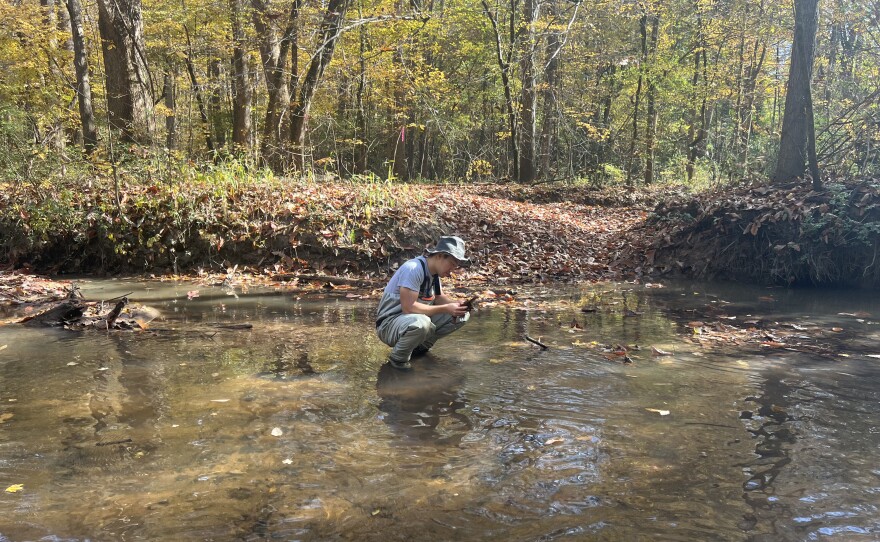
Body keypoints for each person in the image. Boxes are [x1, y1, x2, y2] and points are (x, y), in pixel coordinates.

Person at [375, 235, 473, 370]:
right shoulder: (414, 269)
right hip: (388, 325)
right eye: (452, 264)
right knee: (422, 324)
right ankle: (398, 361)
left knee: (462, 315)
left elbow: (439, 298)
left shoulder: (434, 274)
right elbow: (408, 308)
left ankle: (419, 350)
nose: (452, 270)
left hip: (410, 321)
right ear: (440, 256)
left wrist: (457, 305)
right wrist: (446, 308)